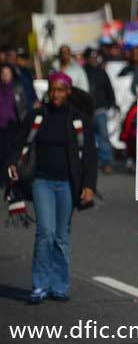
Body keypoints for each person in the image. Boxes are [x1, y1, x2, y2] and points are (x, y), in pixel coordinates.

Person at [7, 72, 97, 304]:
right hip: (42, 181)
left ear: (67, 92)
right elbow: (19, 142)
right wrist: (12, 162)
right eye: (53, 90)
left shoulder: (78, 119)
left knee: (61, 236)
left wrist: (89, 185)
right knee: (45, 232)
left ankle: (59, 286)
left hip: (68, 183)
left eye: (60, 90)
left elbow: (88, 155)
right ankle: (40, 285)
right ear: (48, 91)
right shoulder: (37, 116)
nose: (56, 94)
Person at [83, 48, 118, 174]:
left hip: (100, 110)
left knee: (104, 138)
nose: (93, 59)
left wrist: (112, 103)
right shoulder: (82, 72)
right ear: (86, 58)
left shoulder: (101, 72)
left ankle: (106, 163)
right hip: (86, 112)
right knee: (88, 139)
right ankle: (91, 164)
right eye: (90, 57)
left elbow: (109, 88)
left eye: (95, 57)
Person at [1, 64, 28, 170]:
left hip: (13, 125)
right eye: (3, 74)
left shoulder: (18, 87)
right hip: (1, 127)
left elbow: (23, 107)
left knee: (11, 153)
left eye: (7, 74)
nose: (5, 76)